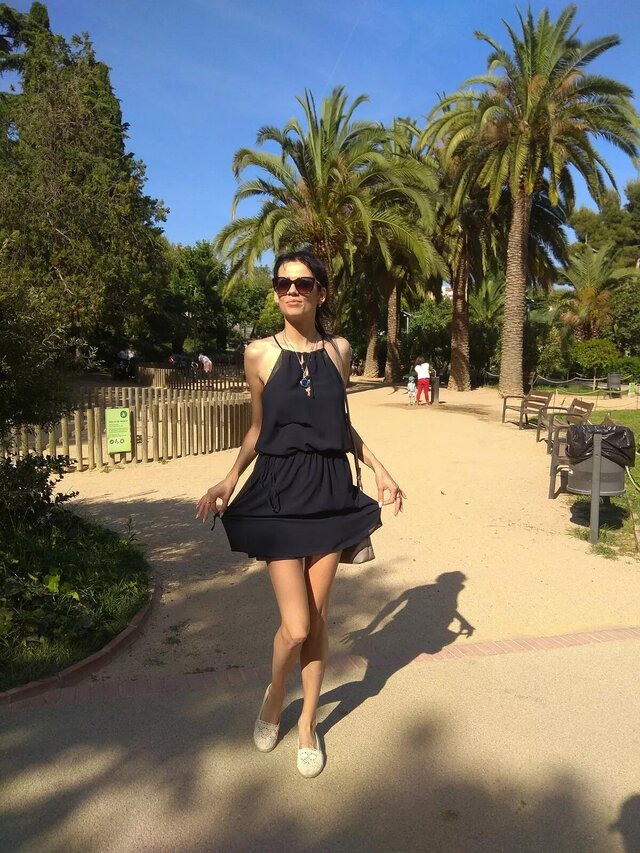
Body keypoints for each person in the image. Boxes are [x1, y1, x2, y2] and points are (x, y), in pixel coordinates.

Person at [196, 249, 405, 779]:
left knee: (317, 621)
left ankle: (308, 723)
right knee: (295, 626)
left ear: (321, 292)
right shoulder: (258, 353)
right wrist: (229, 478)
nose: (293, 290)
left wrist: (379, 468)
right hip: (278, 493)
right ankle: (274, 695)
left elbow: (340, 424)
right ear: (276, 293)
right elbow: (258, 428)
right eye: (284, 283)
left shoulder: (339, 350)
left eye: (304, 283)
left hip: (329, 492)